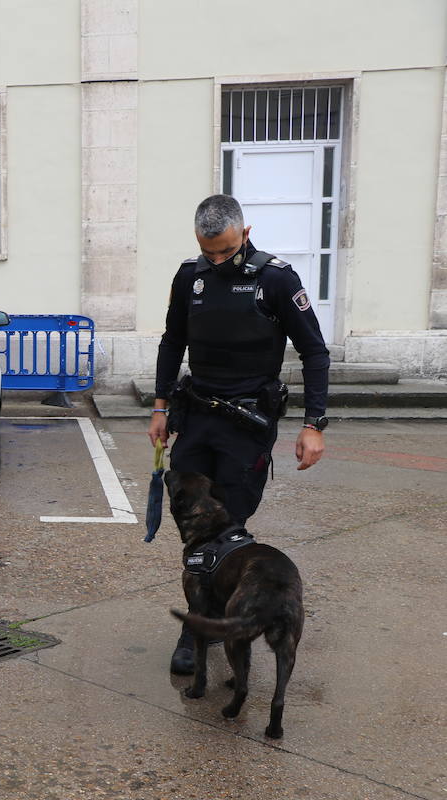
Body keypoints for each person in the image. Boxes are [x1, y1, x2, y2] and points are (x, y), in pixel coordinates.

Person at [148, 194, 329, 674]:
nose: (216, 260)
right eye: (208, 252)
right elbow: (173, 341)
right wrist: (160, 405)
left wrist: (314, 424)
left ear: (245, 234)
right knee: (193, 526)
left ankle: (209, 622)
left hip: (246, 426)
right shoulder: (190, 276)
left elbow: (315, 352)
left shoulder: (276, 280)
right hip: (197, 417)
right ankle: (198, 624)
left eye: (225, 251)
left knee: (230, 527)